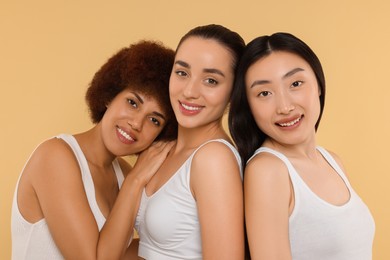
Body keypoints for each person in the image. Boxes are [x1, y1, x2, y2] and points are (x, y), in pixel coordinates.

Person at [11, 40, 178, 260]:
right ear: (109, 96)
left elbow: (117, 252)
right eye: (133, 103)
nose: (137, 123)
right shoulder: (55, 156)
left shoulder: (123, 175)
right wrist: (137, 179)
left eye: (154, 120)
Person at [229, 32, 375, 259]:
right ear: (249, 106)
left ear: (318, 84)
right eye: (264, 93)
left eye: (295, 84)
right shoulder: (268, 171)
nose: (285, 107)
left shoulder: (332, 161)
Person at [134, 24, 246, 260]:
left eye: (211, 81)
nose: (189, 91)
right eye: (182, 73)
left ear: (233, 92)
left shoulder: (214, 158)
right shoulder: (164, 149)